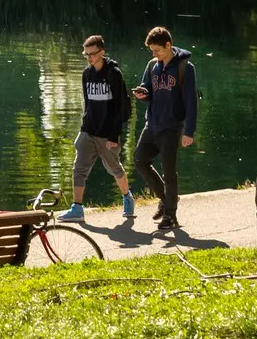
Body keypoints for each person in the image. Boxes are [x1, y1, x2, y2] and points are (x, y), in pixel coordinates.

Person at [57, 34, 135, 223]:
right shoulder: (87, 73)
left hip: (107, 133)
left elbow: (119, 108)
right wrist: (83, 129)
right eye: (87, 54)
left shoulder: (113, 74)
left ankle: (127, 197)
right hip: (89, 130)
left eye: (93, 54)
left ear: (102, 52)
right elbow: (88, 104)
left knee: (114, 168)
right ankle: (77, 208)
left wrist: (114, 136)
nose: (90, 58)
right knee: (79, 168)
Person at [130, 26, 198, 234]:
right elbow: (148, 89)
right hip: (152, 123)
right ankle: (165, 199)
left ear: (168, 45)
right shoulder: (153, 65)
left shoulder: (185, 67)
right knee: (140, 161)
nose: (154, 54)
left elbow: (191, 101)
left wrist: (189, 131)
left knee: (169, 171)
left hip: (172, 126)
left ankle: (170, 214)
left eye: (157, 50)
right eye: (152, 50)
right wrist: (143, 93)